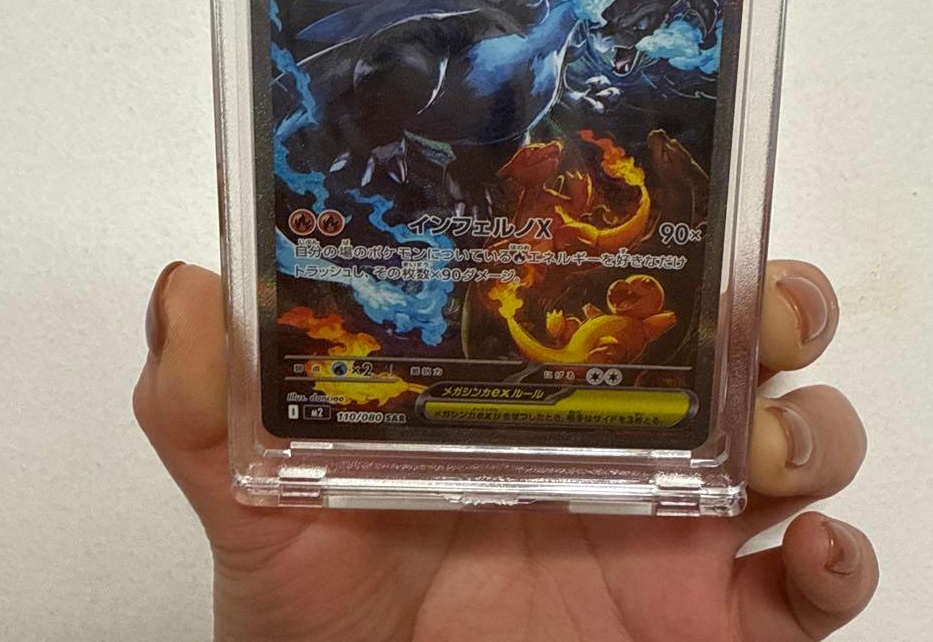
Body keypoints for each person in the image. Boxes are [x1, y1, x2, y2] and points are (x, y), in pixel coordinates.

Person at [135, 259, 876, 640]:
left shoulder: (632, 332)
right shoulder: (310, 511)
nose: (623, 296)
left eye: (635, 295)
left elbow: (572, 350)